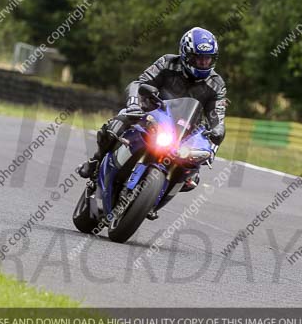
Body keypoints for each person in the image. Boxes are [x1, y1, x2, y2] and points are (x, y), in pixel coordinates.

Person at [77, 27, 227, 217]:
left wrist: (217, 132)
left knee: (192, 177)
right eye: (198, 58)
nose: (203, 63)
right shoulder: (167, 62)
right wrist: (134, 103)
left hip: (183, 134)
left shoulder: (217, 84)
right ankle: (95, 161)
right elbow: (139, 83)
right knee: (116, 124)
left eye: (208, 59)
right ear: (185, 54)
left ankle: (152, 201)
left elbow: (218, 115)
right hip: (152, 115)